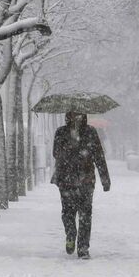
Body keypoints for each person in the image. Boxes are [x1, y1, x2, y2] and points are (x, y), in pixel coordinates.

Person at [51, 111, 111, 259]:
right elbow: (99, 156)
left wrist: (68, 154)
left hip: (66, 180)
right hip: (86, 181)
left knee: (68, 211)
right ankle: (83, 248)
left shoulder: (61, 132)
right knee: (85, 215)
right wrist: (105, 179)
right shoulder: (90, 132)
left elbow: (55, 153)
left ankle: (71, 234)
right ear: (84, 116)